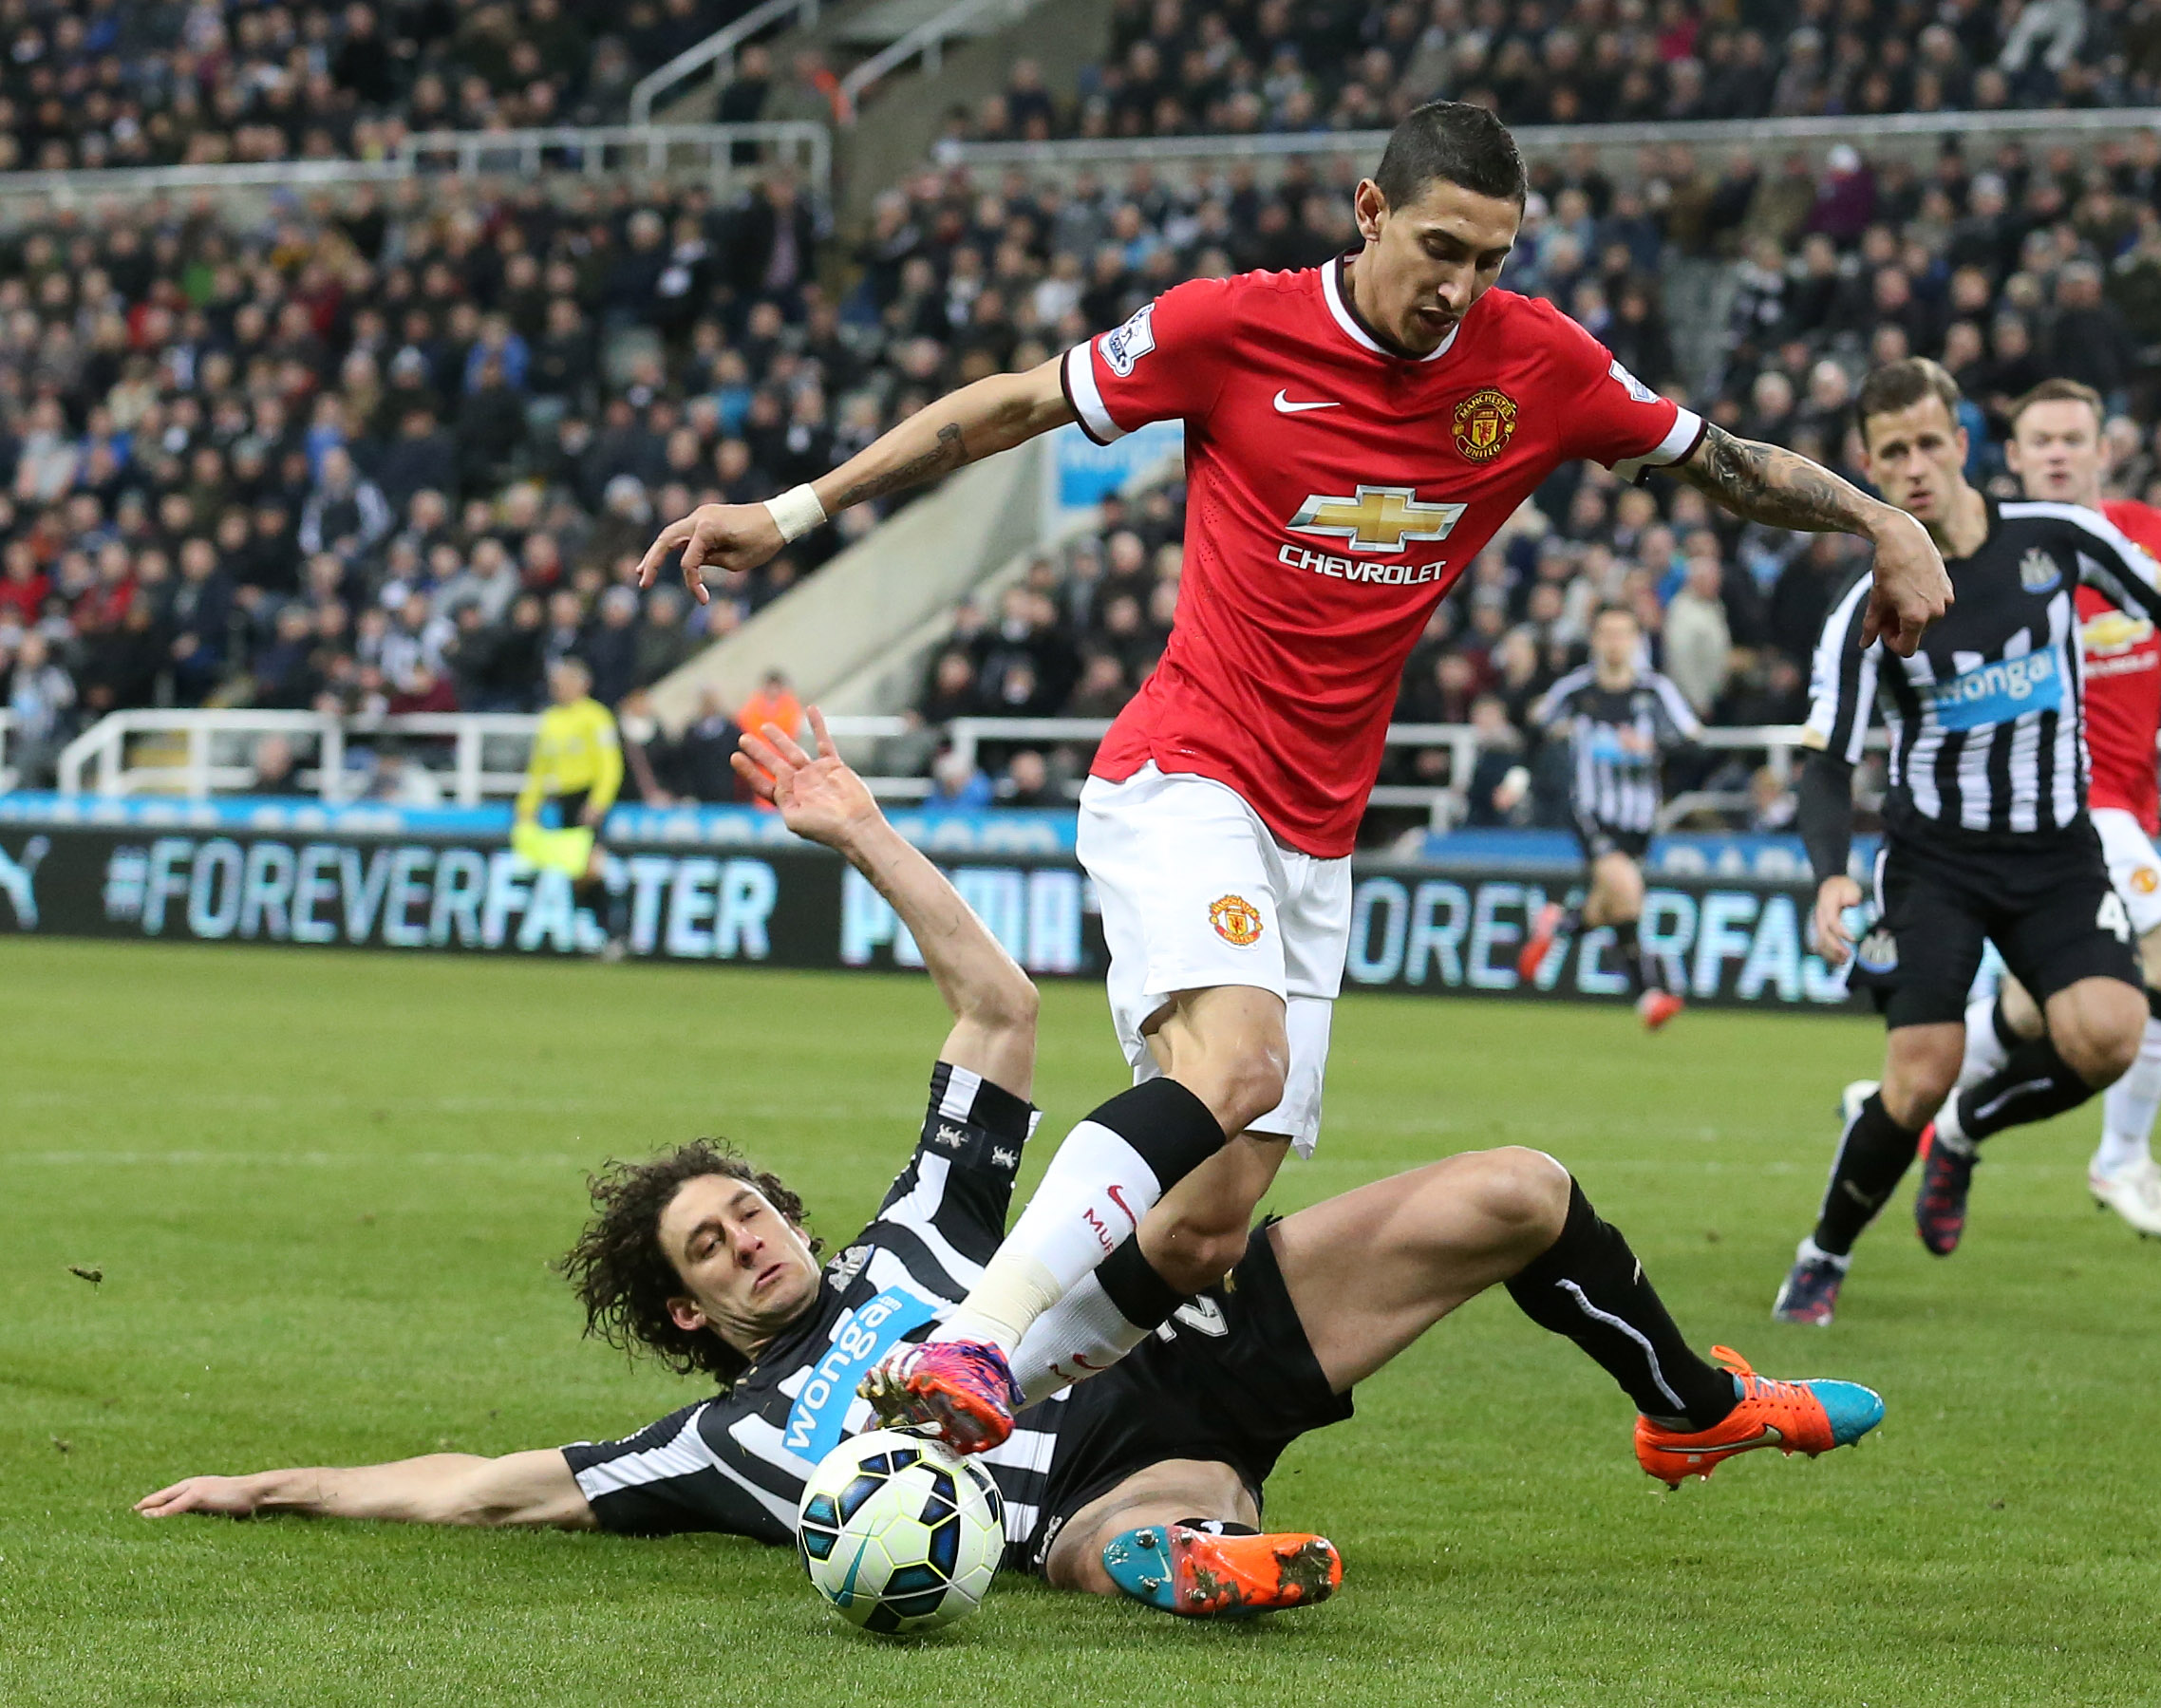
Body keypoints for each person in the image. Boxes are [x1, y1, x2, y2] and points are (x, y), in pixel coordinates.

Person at [637, 101, 1954, 1452]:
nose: (1460, 284)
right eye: (1440, 245)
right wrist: (788, 513)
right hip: (1181, 770)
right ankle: (973, 1335)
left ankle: (919, 1436)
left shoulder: (1535, 364)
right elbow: (1012, 407)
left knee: (1204, 1229)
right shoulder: (1231, 328)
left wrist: (1880, 517)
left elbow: (1719, 461)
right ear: (1370, 212)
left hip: (1314, 835)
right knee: (1241, 1062)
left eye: (1491, 258)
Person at [138, 718, 1887, 1618]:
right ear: (685, 1308)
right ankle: (1188, 1554)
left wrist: (861, 829)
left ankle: (1682, 1394)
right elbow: (483, 1485)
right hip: (1076, 1487)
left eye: (747, 1203)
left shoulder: (928, 1224)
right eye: (712, 1241)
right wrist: (278, 1484)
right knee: (1146, 1526)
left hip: (1190, 1324)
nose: (749, 1233)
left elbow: (994, 1001)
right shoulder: (716, 1445)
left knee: (1516, 1184)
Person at [1773, 359, 2161, 1327]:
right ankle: (1824, 1251)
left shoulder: (2054, 539)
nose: (1916, 466)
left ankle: (1969, 1131)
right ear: (1867, 467)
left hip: (2056, 854)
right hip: (1933, 863)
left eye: (1930, 442)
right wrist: (1828, 877)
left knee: (2109, 1035)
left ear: (1963, 442)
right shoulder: (1864, 607)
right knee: (1918, 1070)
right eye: (1893, 452)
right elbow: (1824, 759)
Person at [1948, 379, 2161, 1243]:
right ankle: (2122, 1156)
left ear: (2102, 449)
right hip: (2068, 805)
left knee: (2030, 1008)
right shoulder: (1992, 553)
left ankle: (1907, 1098)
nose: (2056, 452)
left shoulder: (2150, 534)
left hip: (2131, 802)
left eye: (2072, 438)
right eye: (2039, 438)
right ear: (2010, 456)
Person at [1515, 603, 1703, 1029]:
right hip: (1593, 811)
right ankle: (1650, 994)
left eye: (1623, 633)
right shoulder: (1577, 690)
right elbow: (1533, 725)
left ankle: (1559, 923)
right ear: (1595, 639)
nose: (1615, 643)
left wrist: (1652, 748)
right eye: (1607, 633)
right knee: (1626, 887)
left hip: (1640, 820)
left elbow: (1694, 742)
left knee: (1613, 904)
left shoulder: (1654, 691)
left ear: (1637, 640)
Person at [513, 657, 628, 957]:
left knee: (590, 868)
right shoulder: (550, 719)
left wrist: (599, 801)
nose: (557, 688)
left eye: (563, 682)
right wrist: (527, 804)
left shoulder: (596, 717)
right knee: (574, 870)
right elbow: (539, 767)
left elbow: (610, 765)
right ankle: (593, 932)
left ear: (581, 684)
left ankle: (615, 931)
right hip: (564, 799)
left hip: (587, 797)